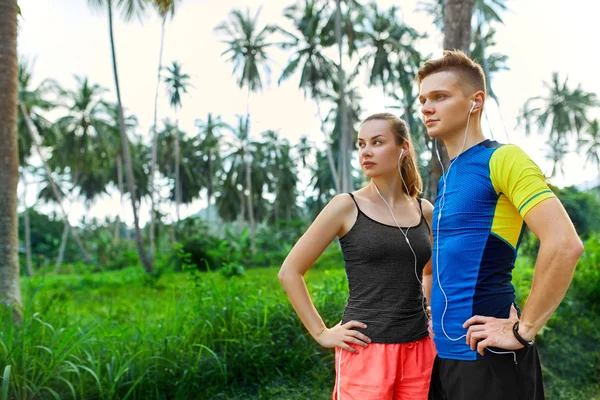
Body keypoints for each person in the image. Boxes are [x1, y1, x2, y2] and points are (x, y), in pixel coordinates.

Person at [417, 50, 584, 400]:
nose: (426, 108)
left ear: (476, 101)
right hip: (448, 359)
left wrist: (522, 331)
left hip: (490, 358)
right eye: (423, 99)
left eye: (440, 97)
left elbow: (564, 244)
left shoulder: (502, 158)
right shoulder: (448, 179)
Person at [278, 113, 436, 399]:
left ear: (403, 149)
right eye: (362, 144)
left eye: (377, 142)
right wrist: (322, 333)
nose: (366, 151)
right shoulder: (346, 206)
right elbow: (290, 271)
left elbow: (429, 271)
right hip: (366, 350)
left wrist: (430, 312)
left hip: (420, 349)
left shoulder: (424, 210)